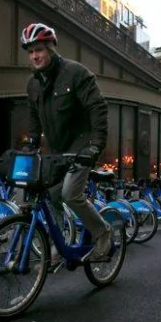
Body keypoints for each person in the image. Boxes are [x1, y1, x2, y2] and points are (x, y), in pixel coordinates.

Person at [19, 22, 112, 264]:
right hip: (57, 151)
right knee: (49, 196)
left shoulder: (76, 73)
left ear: (50, 48)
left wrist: (95, 145)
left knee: (70, 193)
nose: (34, 56)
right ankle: (59, 245)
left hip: (82, 147)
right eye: (30, 52)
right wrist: (30, 143)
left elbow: (98, 108)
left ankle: (102, 233)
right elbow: (33, 120)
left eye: (38, 49)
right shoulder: (33, 85)